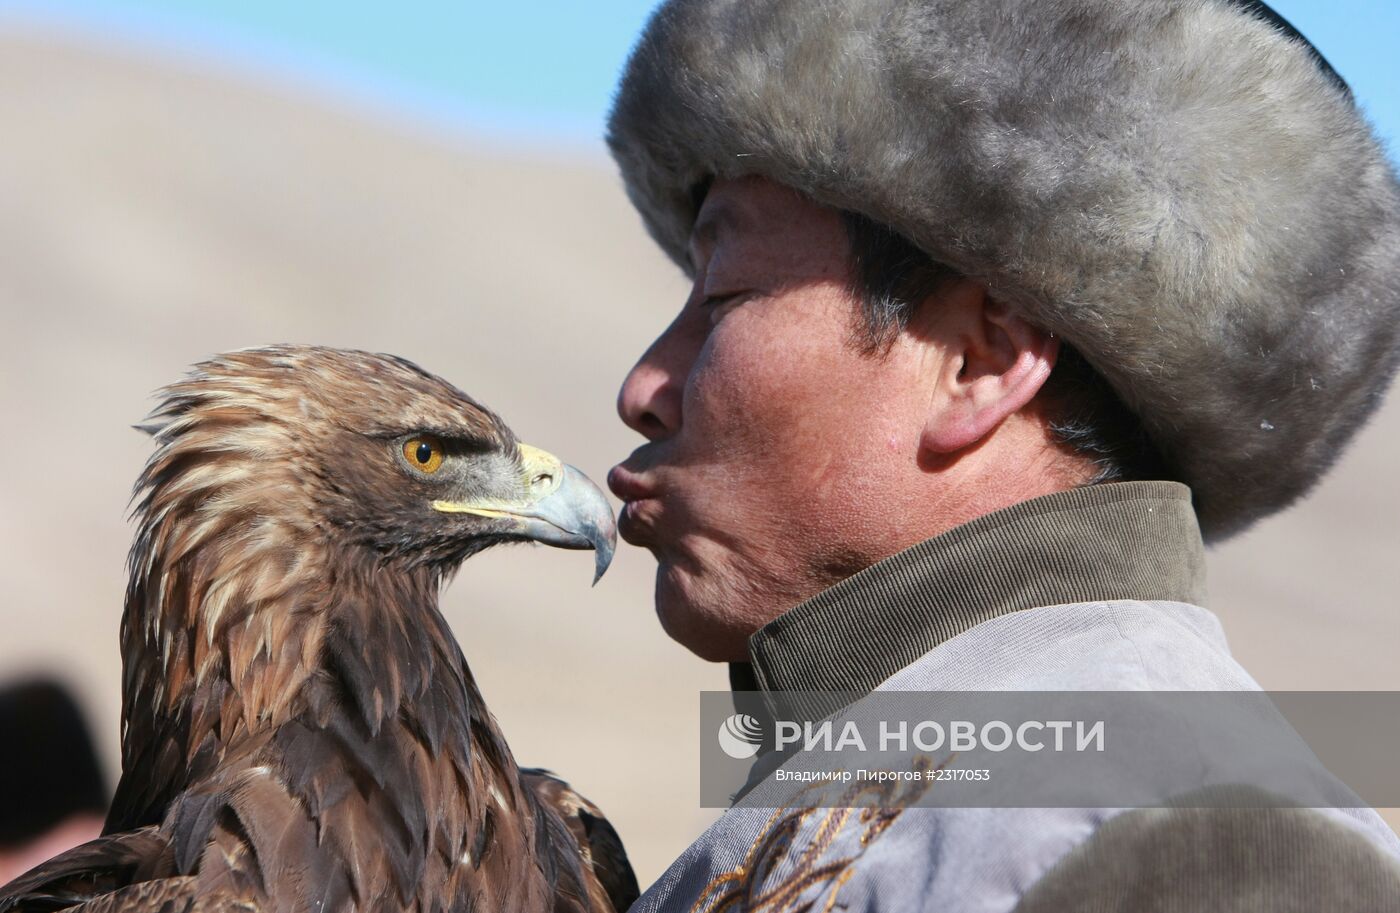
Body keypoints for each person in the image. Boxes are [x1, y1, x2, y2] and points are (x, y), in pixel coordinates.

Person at [603, 0, 1400, 908]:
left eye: (726, 295)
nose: (643, 386)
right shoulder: (916, 781)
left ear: (980, 363)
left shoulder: (1196, 842)